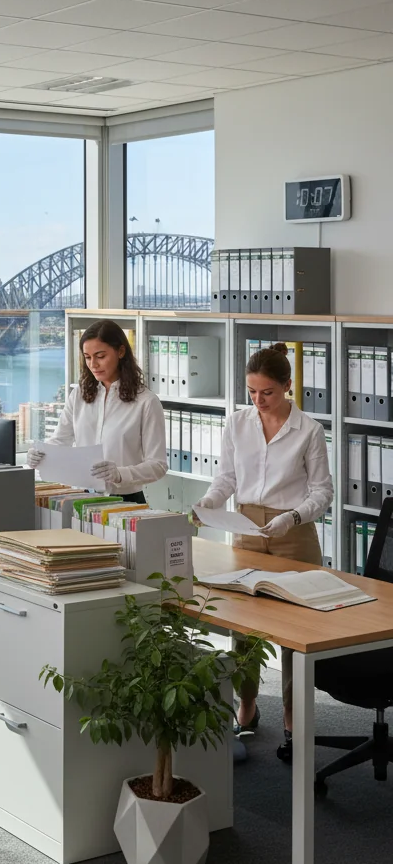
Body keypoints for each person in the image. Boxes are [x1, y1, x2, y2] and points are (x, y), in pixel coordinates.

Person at [195, 342, 334, 760]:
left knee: (295, 635)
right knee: (246, 629)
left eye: (266, 392)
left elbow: (322, 492)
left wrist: (292, 517)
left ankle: (293, 717)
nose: (258, 401)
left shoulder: (308, 429)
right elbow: (226, 478)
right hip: (247, 532)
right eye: (251, 392)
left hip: (293, 534)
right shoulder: (237, 424)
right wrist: (209, 503)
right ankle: (248, 706)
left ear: (288, 387)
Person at [27, 318, 167, 504]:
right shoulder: (79, 394)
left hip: (126, 502)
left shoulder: (146, 402)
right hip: (83, 498)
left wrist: (120, 474)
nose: (93, 364)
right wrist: (40, 453)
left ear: (121, 352)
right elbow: (61, 440)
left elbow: (158, 465)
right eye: (87, 357)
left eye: (100, 356)